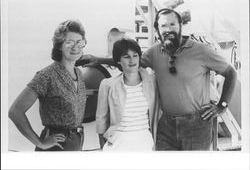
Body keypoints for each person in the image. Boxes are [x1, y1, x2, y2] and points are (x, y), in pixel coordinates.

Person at [77, 8, 237, 151]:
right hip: (165, 125)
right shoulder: (154, 52)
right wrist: (98, 60)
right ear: (157, 30)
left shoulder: (201, 50)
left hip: (196, 125)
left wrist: (222, 105)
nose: (168, 30)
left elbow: (230, 73)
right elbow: (130, 61)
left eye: (172, 24)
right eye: (163, 26)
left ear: (180, 25)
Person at [9, 19, 88, 151]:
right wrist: (41, 143)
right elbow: (15, 111)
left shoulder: (78, 73)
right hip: (56, 145)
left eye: (79, 42)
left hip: (77, 142)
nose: (75, 47)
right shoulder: (47, 75)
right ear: (59, 45)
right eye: (69, 42)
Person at [96, 38, 160, 151]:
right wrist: (103, 145)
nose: (132, 60)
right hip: (117, 141)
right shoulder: (108, 85)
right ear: (118, 61)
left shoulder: (152, 82)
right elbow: (101, 119)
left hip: (145, 140)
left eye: (135, 55)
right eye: (126, 57)